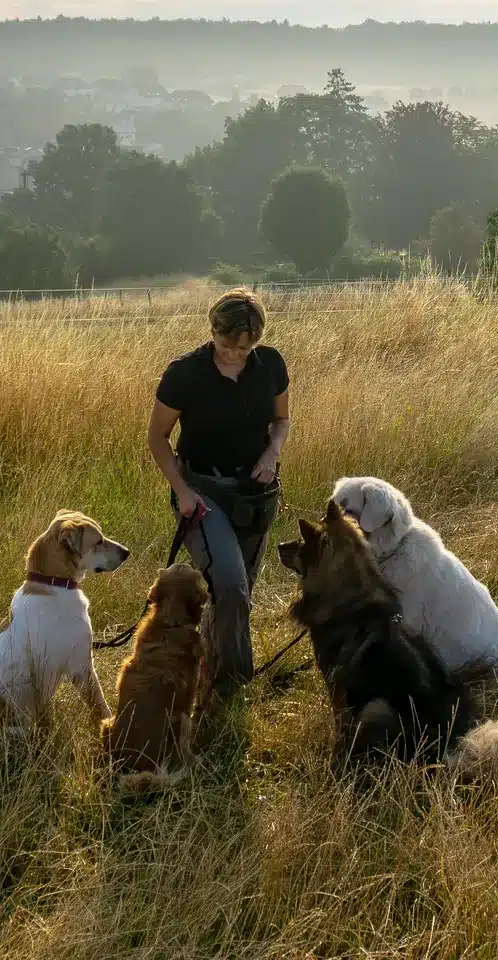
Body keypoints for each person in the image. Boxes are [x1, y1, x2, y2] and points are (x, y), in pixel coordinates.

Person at [148, 289, 290, 698]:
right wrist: (183, 492)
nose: (234, 353)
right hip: (201, 492)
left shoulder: (271, 366)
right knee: (230, 584)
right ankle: (234, 688)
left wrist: (272, 453)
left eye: (245, 347)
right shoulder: (184, 374)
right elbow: (157, 438)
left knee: (238, 593)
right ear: (212, 330)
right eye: (227, 344)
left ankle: (206, 667)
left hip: (253, 493)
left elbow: (281, 421)